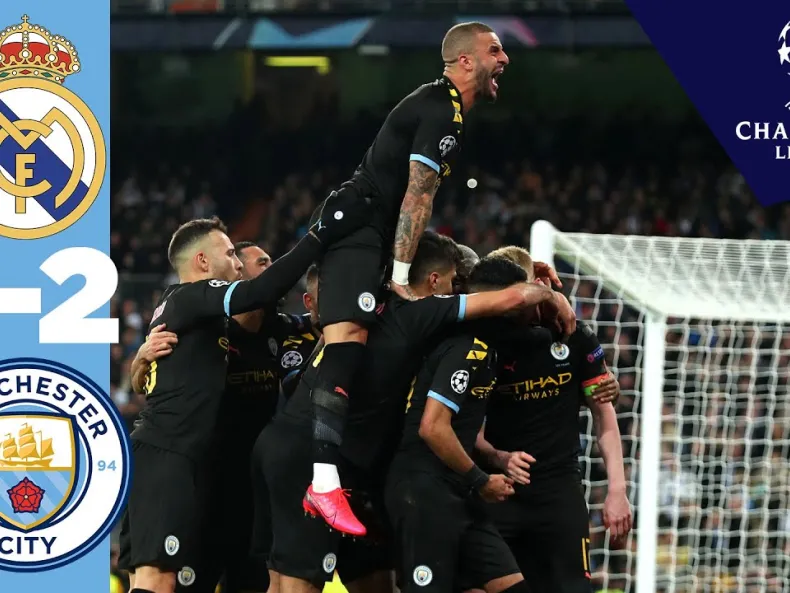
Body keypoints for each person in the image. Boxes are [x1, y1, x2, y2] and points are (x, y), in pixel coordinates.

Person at [254, 232, 562, 593]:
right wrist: (551, 295)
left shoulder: (371, 303)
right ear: (433, 280)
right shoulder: (418, 313)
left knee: (369, 578)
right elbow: (511, 297)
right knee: (299, 582)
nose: (456, 290)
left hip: (336, 457)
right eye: (452, 282)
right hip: (309, 455)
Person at [298, 21, 510, 535]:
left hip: (366, 234)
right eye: (495, 50)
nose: (504, 59)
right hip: (358, 230)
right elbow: (418, 194)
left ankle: (329, 470)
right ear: (465, 61)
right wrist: (398, 276)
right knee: (345, 346)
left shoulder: (442, 107)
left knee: (353, 346)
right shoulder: (442, 109)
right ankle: (321, 480)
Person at [119, 191, 370, 593]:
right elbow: (258, 292)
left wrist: (140, 363)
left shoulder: (210, 321)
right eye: (231, 255)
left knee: (156, 578)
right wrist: (319, 234)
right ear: (204, 262)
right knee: (159, 580)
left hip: (217, 470)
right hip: (176, 456)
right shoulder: (192, 299)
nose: (236, 263)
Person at [128, 242, 319, 593]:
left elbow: (325, 320)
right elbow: (144, 383)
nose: (271, 270)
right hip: (205, 478)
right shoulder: (208, 327)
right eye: (262, 263)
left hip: (254, 486)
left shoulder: (282, 328)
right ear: (239, 274)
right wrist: (140, 357)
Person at [475, 247, 632, 593]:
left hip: (560, 491)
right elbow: (467, 427)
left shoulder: (575, 336)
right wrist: (498, 458)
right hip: (499, 491)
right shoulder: (483, 341)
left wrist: (617, 491)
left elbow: (604, 412)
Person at [385, 256, 534, 593]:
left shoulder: (487, 349)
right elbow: (432, 427)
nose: (526, 310)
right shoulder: (466, 347)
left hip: (457, 491)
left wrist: (497, 458)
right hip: (423, 491)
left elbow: (464, 429)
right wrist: (481, 479)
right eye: (519, 302)